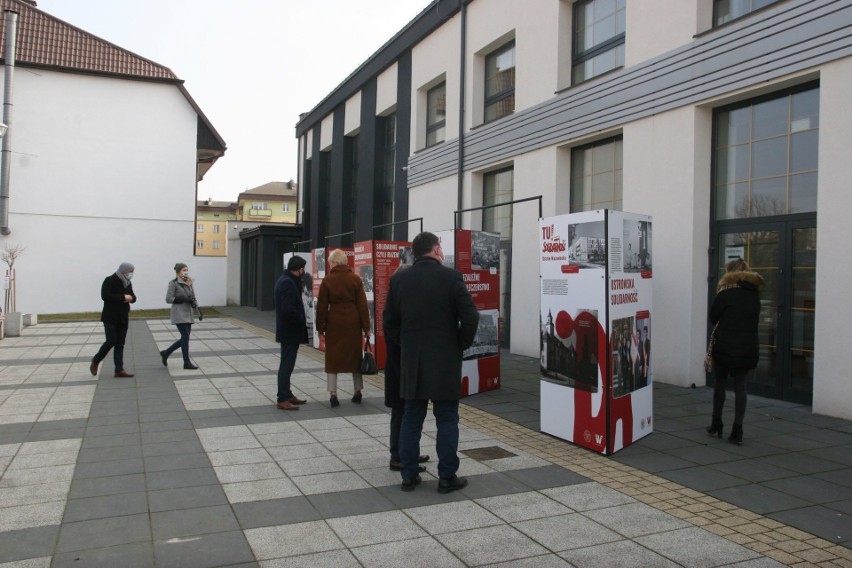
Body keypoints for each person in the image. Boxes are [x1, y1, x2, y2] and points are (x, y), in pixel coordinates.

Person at [383, 232, 479, 493]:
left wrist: (407, 345)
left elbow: (388, 322)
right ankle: (447, 477)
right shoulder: (451, 278)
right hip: (445, 360)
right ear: (436, 250)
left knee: (411, 417)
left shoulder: (400, 279)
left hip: (412, 360)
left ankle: (409, 475)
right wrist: (460, 343)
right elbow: (471, 316)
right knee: (447, 417)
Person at [707, 257, 763, 445]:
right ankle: (737, 430)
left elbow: (714, 317)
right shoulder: (754, 295)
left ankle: (716, 422)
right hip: (747, 347)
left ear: (730, 272)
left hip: (725, 345)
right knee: (741, 387)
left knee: (720, 384)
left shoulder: (725, 293)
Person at [383, 264, 430, 473]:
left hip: (403, 366)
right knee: (401, 411)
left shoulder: (397, 303)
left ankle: (408, 452)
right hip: (399, 367)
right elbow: (396, 333)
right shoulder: (396, 307)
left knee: (408, 412)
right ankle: (398, 456)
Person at [316, 249, 371, 408]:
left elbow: (321, 307)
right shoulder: (355, 279)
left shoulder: (327, 280)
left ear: (333, 263)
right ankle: (358, 391)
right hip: (353, 322)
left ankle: (333, 393)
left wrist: (321, 329)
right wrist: (366, 327)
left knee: (332, 358)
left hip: (334, 322)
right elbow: (362, 305)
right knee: (355, 356)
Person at [274, 256, 309, 411]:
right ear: (300, 269)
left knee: (287, 363)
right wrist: (301, 319)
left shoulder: (285, 280)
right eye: (303, 268)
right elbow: (288, 310)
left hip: (288, 330)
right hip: (289, 331)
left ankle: (287, 394)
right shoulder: (287, 283)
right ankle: (283, 398)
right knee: (287, 365)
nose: (304, 271)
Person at [90, 262, 136, 378]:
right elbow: (105, 296)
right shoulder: (109, 280)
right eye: (131, 271)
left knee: (120, 344)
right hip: (110, 317)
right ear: (124, 271)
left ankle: (119, 370)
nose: (132, 274)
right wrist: (122, 297)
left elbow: (133, 297)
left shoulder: (128, 282)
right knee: (111, 341)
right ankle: (96, 360)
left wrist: (131, 298)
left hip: (123, 317)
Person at [160, 263, 200, 370]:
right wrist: (181, 299)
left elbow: (193, 297)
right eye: (183, 270)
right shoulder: (173, 283)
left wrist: (197, 309)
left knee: (185, 338)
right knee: (185, 337)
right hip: (179, 313)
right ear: (178, 272)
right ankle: (186, 362)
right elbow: (168, 299)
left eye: (187, 269)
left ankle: (166, 352)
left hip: (188, 313)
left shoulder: (189, 282)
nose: (186, 272)